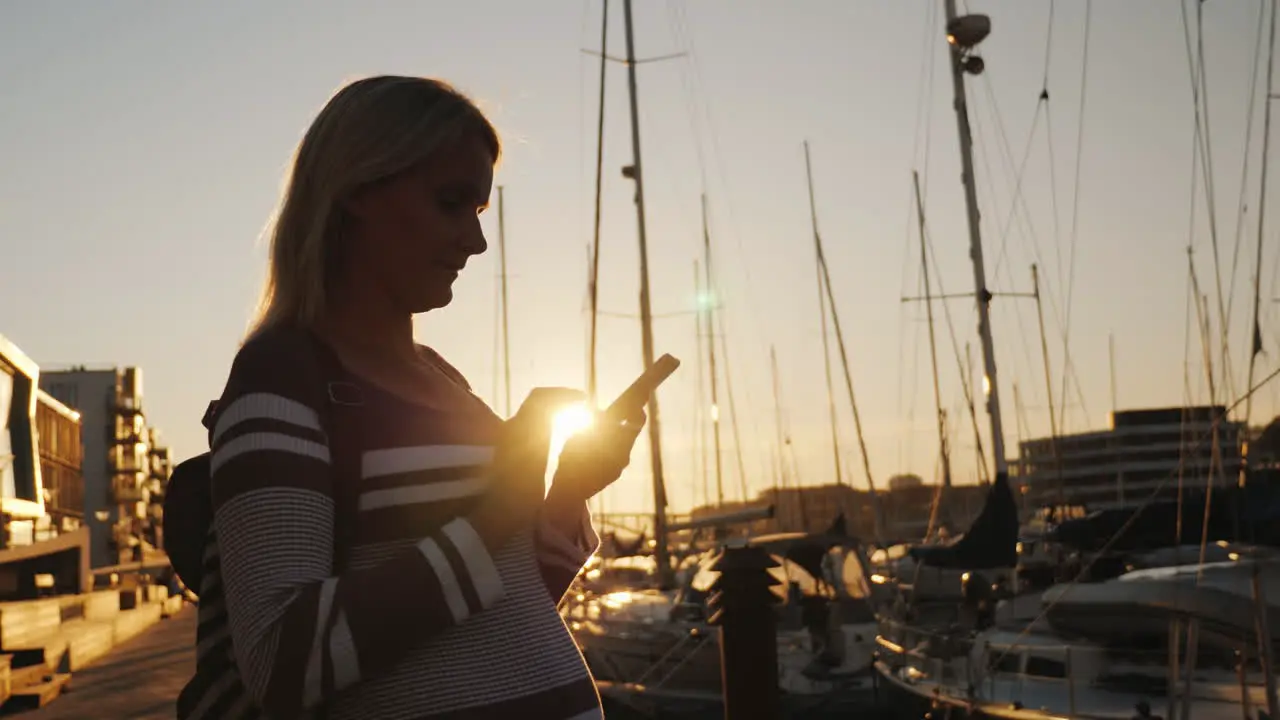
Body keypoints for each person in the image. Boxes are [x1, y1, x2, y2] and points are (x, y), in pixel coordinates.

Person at [178, 75, 645, 720]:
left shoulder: (445, 381)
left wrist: (565, 493)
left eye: (478, 213)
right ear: (358, 192)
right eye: (451, 203)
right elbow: (281, 663)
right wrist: (498, 515)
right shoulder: (284, 377)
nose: (474, 242)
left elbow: (496, 602)